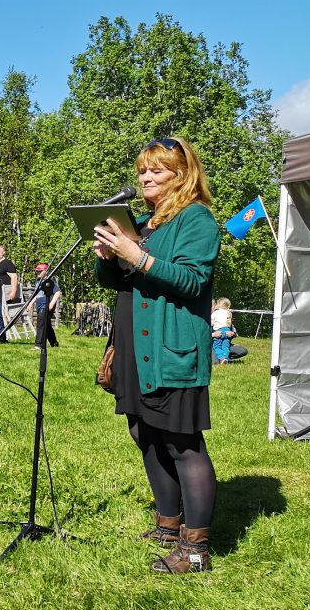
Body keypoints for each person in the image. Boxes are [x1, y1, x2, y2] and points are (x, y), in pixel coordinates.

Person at [93, 136, 220, 574]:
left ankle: (196, 550)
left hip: (171, 349)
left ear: (182, 176)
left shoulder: (196, 220)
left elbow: (191, 280)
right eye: (143, 170)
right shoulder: (145, 225)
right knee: (144, 433)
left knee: (182, 443)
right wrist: (110, 258)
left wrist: (137, 257)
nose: (146, 177)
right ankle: (168, 526)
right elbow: (118, 283)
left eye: (157, 170)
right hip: (132, 348)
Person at [31, 262, 62, 349]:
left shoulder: (49, 281)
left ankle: (38, 344)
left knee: (41, 325)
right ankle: (54, 343)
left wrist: (51, 303)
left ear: (46, 271)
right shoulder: (38, 281)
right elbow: (37, 294)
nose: (38, 273)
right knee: (46, 325)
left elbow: (57, 292)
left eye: (40, 271)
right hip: (39, 305)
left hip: (46, 305)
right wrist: (31, 302)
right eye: (37, 271)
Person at [210, 298, 247, 363]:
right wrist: (212, 335)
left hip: (225, 341)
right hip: (210, 345)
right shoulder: (207, 317)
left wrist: (232, 334)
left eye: (213, 305)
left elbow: (234, 332)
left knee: (243, 351)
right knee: (215, 361)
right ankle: (222, 357)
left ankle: (223, 357)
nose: (213, 307)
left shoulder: (225, 315)